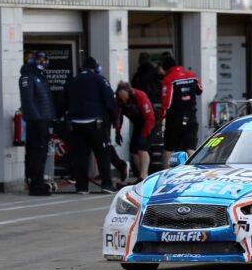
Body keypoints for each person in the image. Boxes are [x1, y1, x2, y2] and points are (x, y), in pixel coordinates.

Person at [61, 56, 115, 194]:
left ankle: (81, 186)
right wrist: (114, 120)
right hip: (95, 123)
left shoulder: (72, 81)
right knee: (102, 153)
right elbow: (109, 101)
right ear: (95, 67)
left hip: (76, 124)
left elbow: (63, 103)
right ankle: (106, 184)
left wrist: (60, 118)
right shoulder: (100, 79)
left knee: (80, 156)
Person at [19, 51, 56, 196]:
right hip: (37, 121)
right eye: (39, 59)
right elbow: (28, 101)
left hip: (44, 119)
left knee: (41, 153)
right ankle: (35, 185)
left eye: (43, 59)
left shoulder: (40, 76)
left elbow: (46, 100)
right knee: (36, 153)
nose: (43, 62)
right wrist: (36, 118)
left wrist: (50, 117)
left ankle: (38, 183)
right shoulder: (28, 77)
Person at [161, 56, 203, 164]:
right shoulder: (192, 75)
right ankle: (194, 173)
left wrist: (161, 117)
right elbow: (200, 90)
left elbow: (167, 103)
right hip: (191, 116)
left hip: (175, 118)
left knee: (169, 149)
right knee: (191, 148)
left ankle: (166, 175)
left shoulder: (169, 79)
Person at [114, 82, 156, 181]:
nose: (123, 99)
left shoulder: (140, 96)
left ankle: (144, 175)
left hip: (150, 123)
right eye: (121, 97)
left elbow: (150, 118)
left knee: (142, 148)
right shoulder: (119, 100)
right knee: (133, 151)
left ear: (129, 93)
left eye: (124, 97)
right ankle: (141, 174)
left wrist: (144, 135)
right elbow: (118, 116)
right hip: (138, 124)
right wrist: (117, 131)